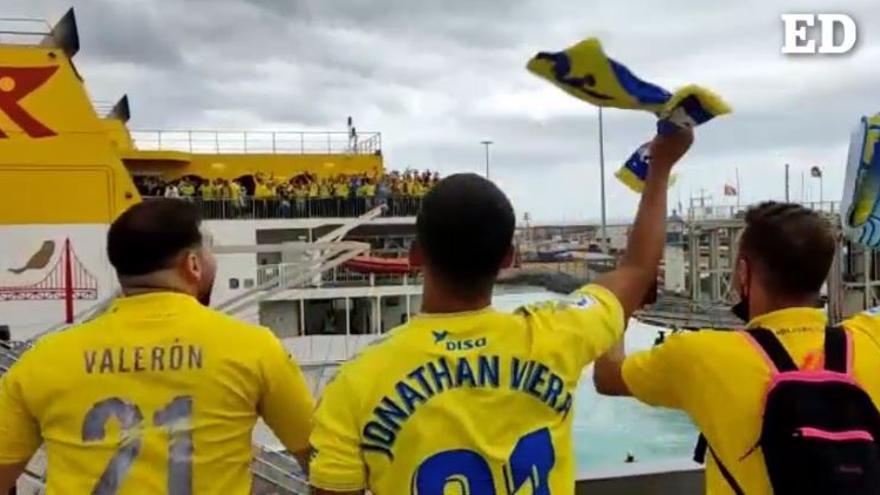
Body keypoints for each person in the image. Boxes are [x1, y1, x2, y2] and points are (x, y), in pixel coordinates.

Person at [308, 129, 693, 494]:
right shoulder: (555, 335)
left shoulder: (354, 383)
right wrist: (659, 168)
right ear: (508, 259)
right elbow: (636, 271)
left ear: (415, 255)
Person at [0, 199, 314, 494]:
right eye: (210, 251)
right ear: (193, 264)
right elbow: (325, 466)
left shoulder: (43, 359)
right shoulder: (255, 348)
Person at [594, 201, 880, 493]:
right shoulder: (871, 338)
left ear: (744, 273)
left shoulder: (699, 356)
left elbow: (607, 376)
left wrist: (623, 292)